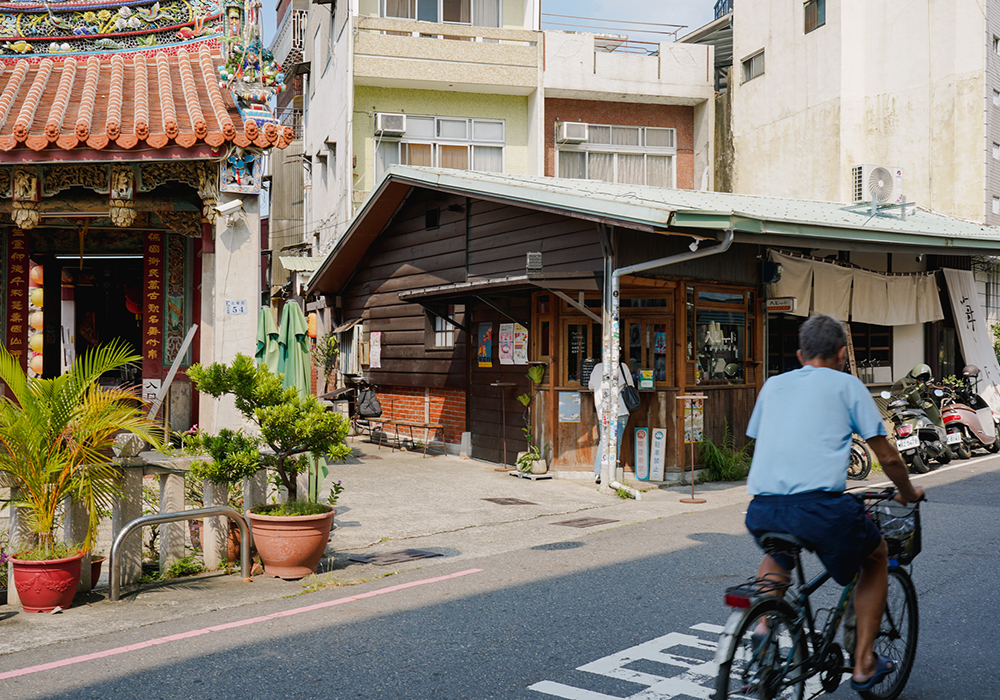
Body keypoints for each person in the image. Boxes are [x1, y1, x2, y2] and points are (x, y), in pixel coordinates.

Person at [744, 314, 924, 692]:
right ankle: (862, 664)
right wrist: (907, 492)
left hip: (762, 506)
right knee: (875, 556)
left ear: (799, 354)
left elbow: (762, 440)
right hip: (820, 508)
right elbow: (889, 458)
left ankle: (763, 625)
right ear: (842, 354)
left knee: (779, 552)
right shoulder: (848, 385)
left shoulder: (773, 386)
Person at [589, 358, 631, 485]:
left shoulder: (597, 367)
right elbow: (631, 385)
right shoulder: (622, 366)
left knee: (604, 440)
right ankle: (612, 473)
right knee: (616, 442)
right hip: (620, 410)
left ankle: (599, 472)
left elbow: (590, 386)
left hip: (603, 411)